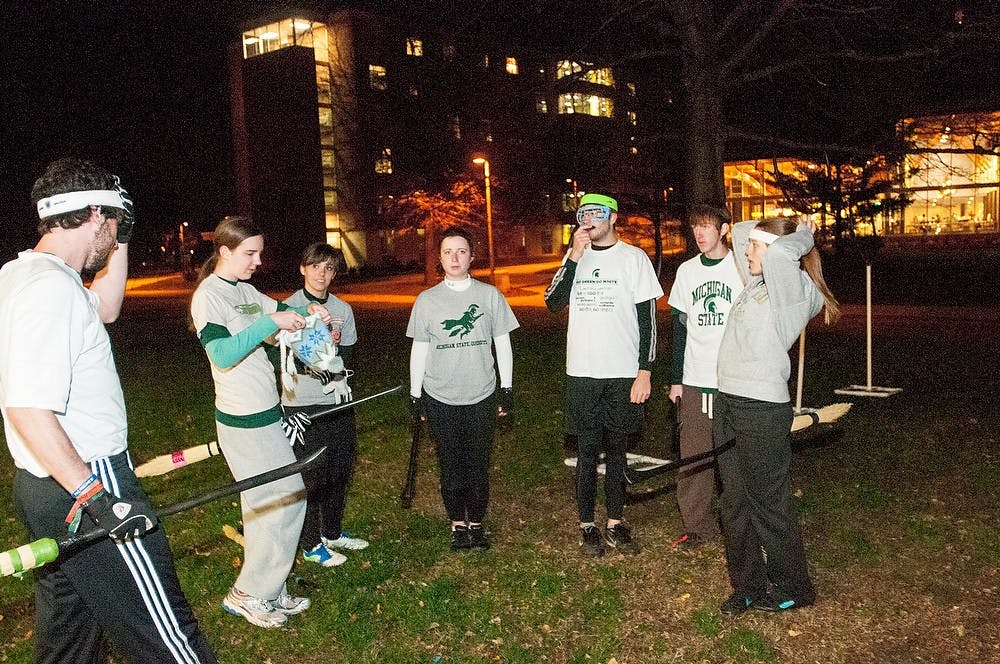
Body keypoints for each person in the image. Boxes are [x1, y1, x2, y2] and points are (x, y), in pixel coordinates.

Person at [0, 157, 216, 662]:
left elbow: (108, 307)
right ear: (94, 214)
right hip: (86, 479)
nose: (117, 238)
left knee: (69, 635)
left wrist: (120, 240)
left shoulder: (27, 275)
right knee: (167, 634)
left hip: (40, 483)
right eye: (115, 224)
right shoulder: (51, 289)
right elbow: (28, 407)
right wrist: (97, 497)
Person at [190, 216, 331, 629]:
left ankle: (268, 589)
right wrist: (271, 323)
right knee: (284, 499)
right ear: (225, 251)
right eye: (249, 253)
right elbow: (222, 353)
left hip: (266, 414)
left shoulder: (246, 292)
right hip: (242, 419)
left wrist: (311, 313)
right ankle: (251, 593)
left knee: (266, 504)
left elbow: (286, 311)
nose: (257, 260)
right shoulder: (209, 298)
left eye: (259, 252)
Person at [714, 216, 840, 615]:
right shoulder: (758, 282)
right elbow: (735, 232)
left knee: (768, 503)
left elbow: (784, 250)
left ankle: (794, 587)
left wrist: (804, 233)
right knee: (733, 502)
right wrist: (764, 231)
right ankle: (748, 585)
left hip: (762, 409)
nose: (746, 251)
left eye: (757, 246)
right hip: (729, 401)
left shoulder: (793, 289)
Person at [544, 193, 663, 557]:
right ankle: (586, 526)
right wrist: (574, 257)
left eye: (596, 213)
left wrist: (644, 372)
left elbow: (649, 323)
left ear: (613, 217)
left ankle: (614, 522)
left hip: (623, 373)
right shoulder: (574, 258)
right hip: (583, 371)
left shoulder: (634, 259)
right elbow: (552, 300)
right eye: (583, 214)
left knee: (617, 450)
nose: (588, 220)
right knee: (586, 451)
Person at [406, 226, 518, 551]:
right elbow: (420, 350)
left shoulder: (489, 296)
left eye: (461, 251)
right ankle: (457, 524)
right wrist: (416, 395)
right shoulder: (427, 301)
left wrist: (506, 389)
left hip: (481, 395)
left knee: (478, 464)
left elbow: (503, 345)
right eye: (447, 252)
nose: (455, 258)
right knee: (451, 464)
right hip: (440, 397)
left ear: (472, 256)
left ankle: (477, 524)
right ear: (439, 258)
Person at [280, 242, 368, 567]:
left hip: (338, 404)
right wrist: (326, 372)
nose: (322, 273)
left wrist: (343, 376)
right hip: (303, 406)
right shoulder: (288, 309)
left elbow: (349, 352)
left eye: (329, 268)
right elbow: (290, 358)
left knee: (340, 469)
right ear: (303, 268)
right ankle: (311, 544)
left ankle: (332, 531)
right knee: (312, 476)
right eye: (316, 266)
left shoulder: (343, 310)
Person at [667, 204, 744, 551]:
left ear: (725, 230)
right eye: (695, 227)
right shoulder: (686, 272)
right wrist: (676, 379)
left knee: (736, 458)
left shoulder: (742, 267)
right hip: (696, 378)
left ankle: (739, 523)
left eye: (708, 227)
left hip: (734, 380)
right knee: (695, 457)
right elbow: (679, 330)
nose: (699, 234)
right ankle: (695, 526)